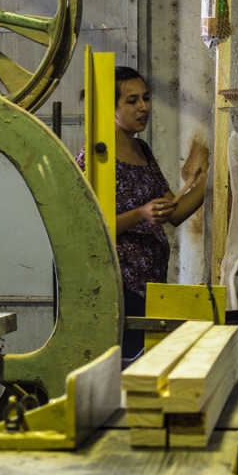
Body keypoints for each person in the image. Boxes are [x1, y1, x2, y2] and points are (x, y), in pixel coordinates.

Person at [77, 67, 208, 360]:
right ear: (110, 107)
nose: (143, 107)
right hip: (118, 289)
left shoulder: (142, 149)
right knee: (126, 369)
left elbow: (174, 212)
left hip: (152, 286)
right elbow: (89, 230)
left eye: (146, 98)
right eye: (132, 100)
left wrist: (213, 180)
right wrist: (140, 214)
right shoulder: (96, 156)